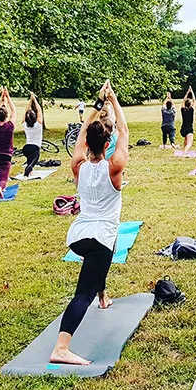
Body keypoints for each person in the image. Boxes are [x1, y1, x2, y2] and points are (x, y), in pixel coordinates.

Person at [51, 81, 130, 365]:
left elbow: (83, 133)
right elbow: (125, 131)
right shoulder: (114, 168)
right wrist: (114, 100)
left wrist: (98, 105)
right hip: (99, 239)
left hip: (78, 237)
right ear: (107, 146)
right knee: (81, 292)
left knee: (99, 261)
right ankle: (61, 348)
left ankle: (104, 296)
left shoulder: (78, 165)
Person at [21, 93, 44, 177]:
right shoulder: (38, 124)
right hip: (35, 148)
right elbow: (39, 110)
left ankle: (30, 172)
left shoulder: (25, 124)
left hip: (26, 148)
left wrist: (30, 101)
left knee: (30, 159)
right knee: (31, 164)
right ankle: (27, 172)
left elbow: (25, 111)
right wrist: (34, 99)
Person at [179, 87, 196, 155]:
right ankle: (184, 153)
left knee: (186, 139)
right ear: (190, 104)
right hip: (189, 129)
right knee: (189, 143)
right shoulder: (191, 110)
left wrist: (187, 93)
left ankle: (184, 151)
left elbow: (183, 101)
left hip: (183, 129)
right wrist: (192, 92)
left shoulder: (183, 110)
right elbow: (195, 100)